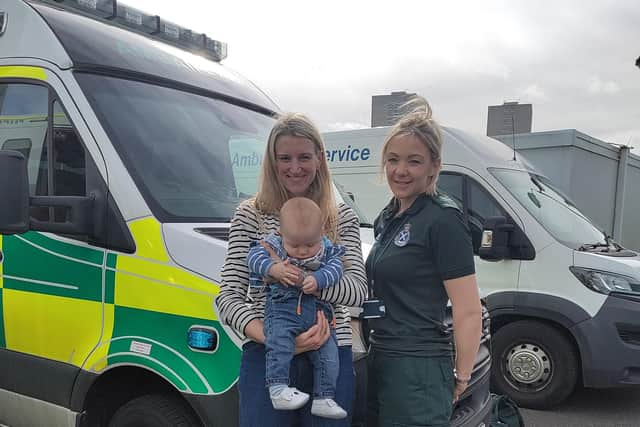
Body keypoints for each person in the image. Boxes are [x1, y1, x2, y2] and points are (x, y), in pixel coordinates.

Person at [215, 112, 367, 427]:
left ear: (320, 158)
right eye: (285, 158)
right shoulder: (250, 216)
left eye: (304, 157)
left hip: (330, 353)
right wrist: (271, 337)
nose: (294, 167)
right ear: (272, 160)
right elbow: (228, 297)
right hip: (267, 354)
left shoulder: (341, 218)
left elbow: (357, 291)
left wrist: (309, 281)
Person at [366, 101, 483, 427]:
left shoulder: (443, 219)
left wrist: (462, 374)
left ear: (434, 166)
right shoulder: (390, 216)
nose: (400, 170)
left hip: (418, 368)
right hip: (382, 358)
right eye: (393, 160)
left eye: (413, 161)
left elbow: (467, 308)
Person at [247, 197, 347, 419]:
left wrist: (319, 279)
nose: (302, 252)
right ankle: (278, 388)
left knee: (330, 356)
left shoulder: (328, 250)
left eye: (310, 245)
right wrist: (273, 269)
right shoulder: (270, 244)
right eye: (295, 245)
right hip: (283, 313)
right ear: (281, 233)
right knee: (279, 345)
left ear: (322, 232)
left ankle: (324, 397)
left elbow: (337, 268)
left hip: (319, 318)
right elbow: (252, 258)